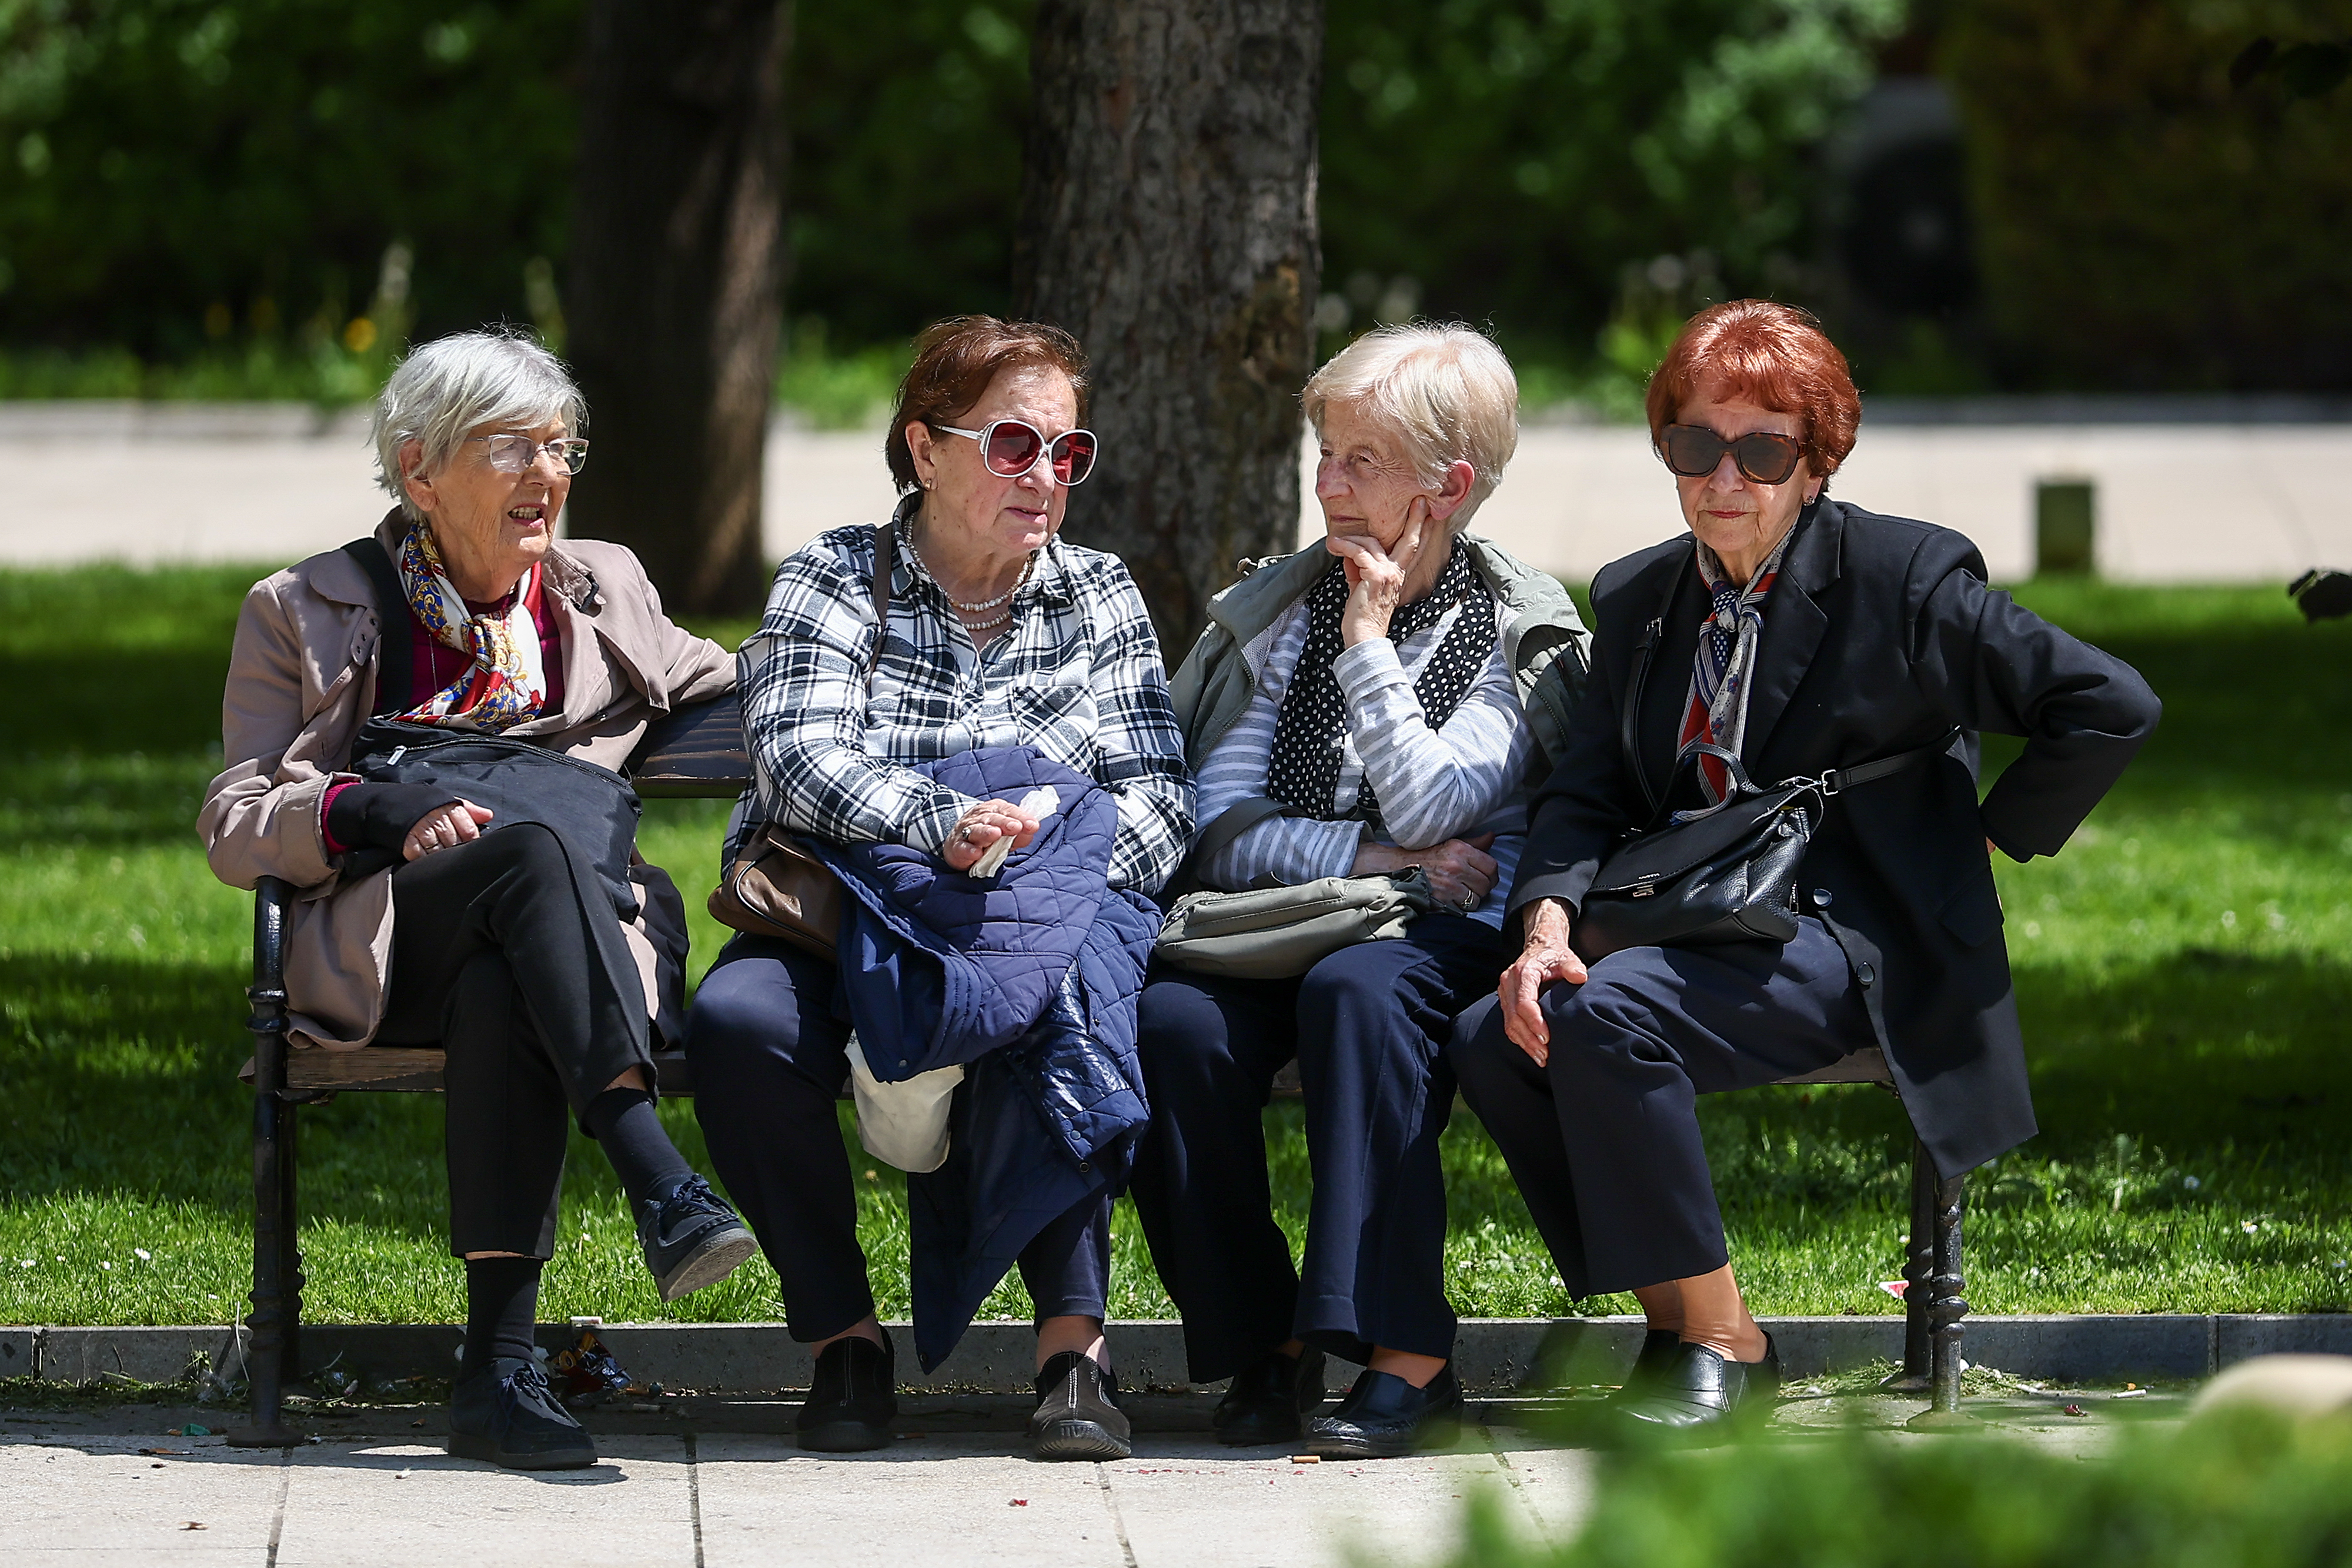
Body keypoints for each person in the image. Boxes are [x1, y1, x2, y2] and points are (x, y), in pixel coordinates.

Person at [1449, 300, 2161, 1436]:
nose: (1722, 475)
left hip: (1855, 928)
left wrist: (1979, 838)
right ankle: (1687, 1323)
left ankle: (1725, 1343)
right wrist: (1545, 929)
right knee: (1497, 1033)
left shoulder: (1903, 577)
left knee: (1609, 1018)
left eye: (1763, 450)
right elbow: (1586, 790)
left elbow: (2110, 704)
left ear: (1818, 461)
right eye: (1695, 444)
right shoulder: (1640, 595)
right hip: (1694, 916)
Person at [199, 330, 758, 1471]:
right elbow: (235, 812)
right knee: (521, 857)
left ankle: (494, 1377)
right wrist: (371, 812)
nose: (547, 474)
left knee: (523, 918)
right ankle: (655, 1171)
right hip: (392, 939)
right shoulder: (307, 610)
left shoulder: (603, 589)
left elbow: (734, 687)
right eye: (512, 449)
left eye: (561, 447)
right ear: (419, 470)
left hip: (566, 950)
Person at [685, 316, 1192, 1463]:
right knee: (735, 1024)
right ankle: (843, 1342)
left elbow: (1157, 796)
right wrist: (939, 825)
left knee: (1070, 978)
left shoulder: (1098, 592)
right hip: (853, 912)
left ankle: (1074, 1353)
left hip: (1028, 911)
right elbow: (801, 761)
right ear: (923, 450)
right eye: (1015, 445)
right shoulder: (834, 573)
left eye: (1068, 454)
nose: (1046, 477)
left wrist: (1045, 869)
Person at [1131, 324, 1589, 1458]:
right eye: (1325, 455)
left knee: (1359, 995)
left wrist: (1372, 644)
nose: (1327, 484)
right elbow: (1220, 828)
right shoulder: (1283, 612)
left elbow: (1439, 803)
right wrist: (1374, 860)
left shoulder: (1516, 637)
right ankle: (1261, 1348)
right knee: (1169, 1023)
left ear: (1451, 487)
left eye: (1361, 461)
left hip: (1442, 939)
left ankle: (1407, 1357)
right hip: (1295, 922)